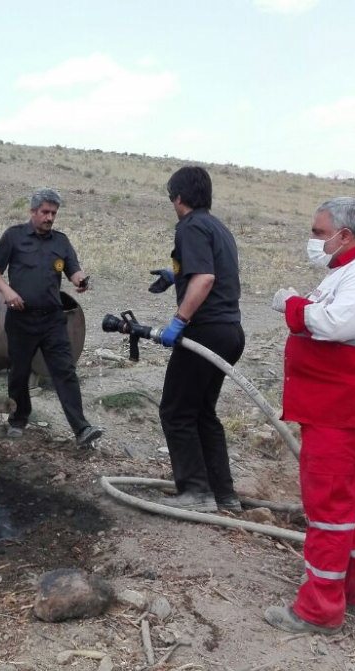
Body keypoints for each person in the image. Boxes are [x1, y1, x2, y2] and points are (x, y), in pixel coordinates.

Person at [264, 196, 355, 635]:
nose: (314, 240)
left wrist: (291, 305)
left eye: (320, 233)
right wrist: (306, 309)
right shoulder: (349, 271)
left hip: (342, 410)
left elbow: (333, 324)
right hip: (335, 407)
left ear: (346, 234)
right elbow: (325, 318)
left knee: (328, 507)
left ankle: (319, 609)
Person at [150, 166, 246, 513]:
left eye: (171, 197)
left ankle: (196, 493)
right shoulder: (217, 226)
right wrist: (175, 276)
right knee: (202, 412)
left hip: (205, 330)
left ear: (178, 197)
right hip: (230, 332)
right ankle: (224, 494)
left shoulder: (190, 226)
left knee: (176, 411)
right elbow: (208, 272)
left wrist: (179, 320)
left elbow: (205, 277)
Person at [0, 188, 103, 447]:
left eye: (53, 213)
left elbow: (73, 270)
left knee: (65, 372)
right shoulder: (14, 237)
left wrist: (79, 280)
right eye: (45, 212)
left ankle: (81, 428)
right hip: (20, 320)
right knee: (19, 373)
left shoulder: (61, 241)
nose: (49, 218)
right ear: (33, 212)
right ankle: (17, 419)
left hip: (52, 321)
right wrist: (7, 292)